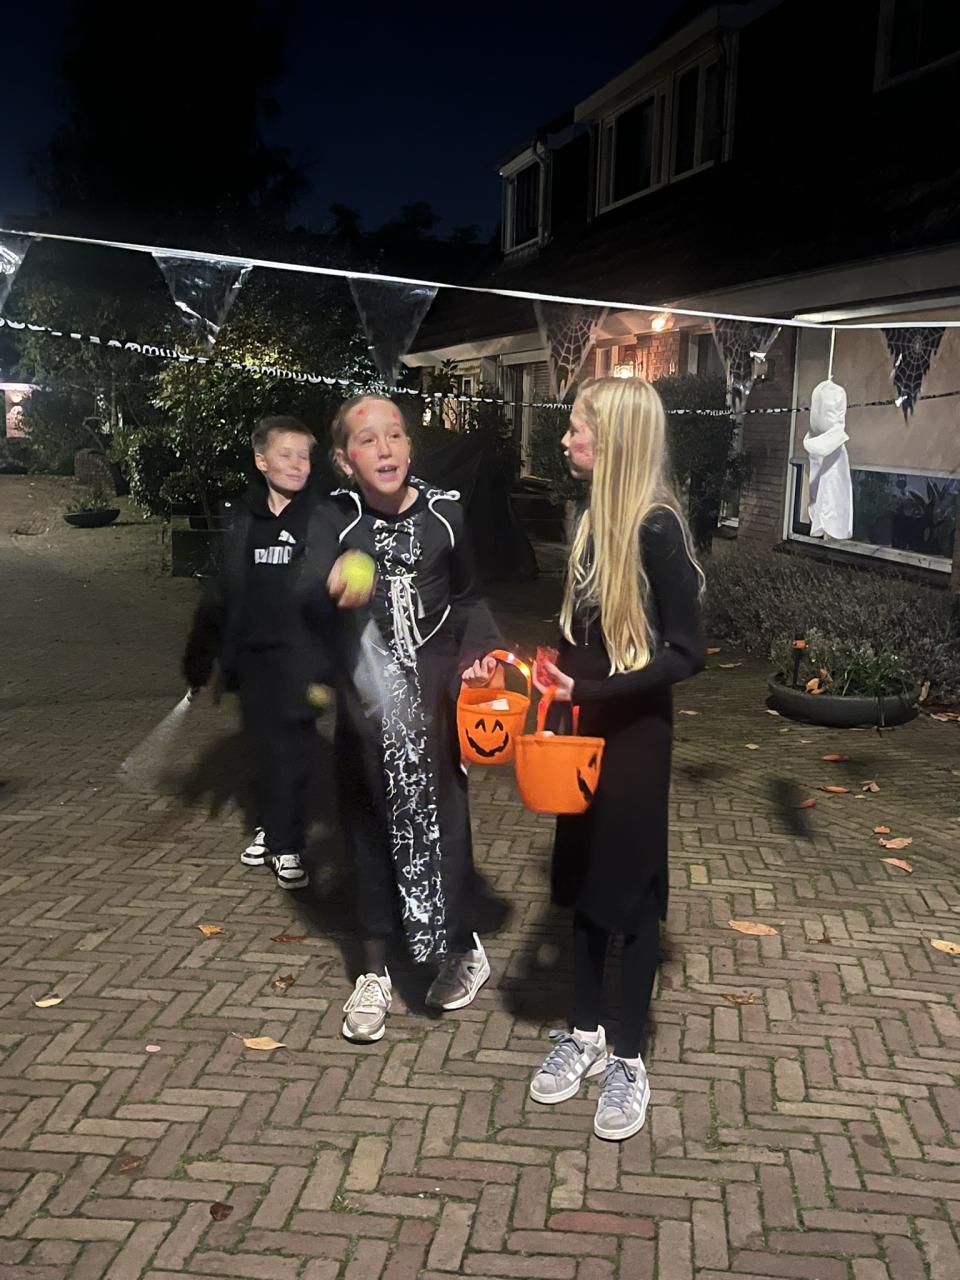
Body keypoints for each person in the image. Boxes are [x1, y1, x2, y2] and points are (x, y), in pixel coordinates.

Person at [528, 377, 706, 1142]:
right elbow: (583, 638)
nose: (566, 439)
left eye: (578, 429)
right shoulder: (590, 521)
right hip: (583, 727)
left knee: (630, 895)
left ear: (617, 442)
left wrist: (596, 688)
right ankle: (585, 1032)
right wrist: (546, 676)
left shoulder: (656, 528)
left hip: (635, 737)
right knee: (579, 879)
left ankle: (628, 1055)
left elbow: (687, 654)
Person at [303, 393, 503, 1044]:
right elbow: (299, 594)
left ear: (410, 448)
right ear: (344, 460)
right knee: (366, 834)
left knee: (446, 827)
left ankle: (464, 946)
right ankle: (372, 972)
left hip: (437, 706)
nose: (385, 448)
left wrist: (481, 655)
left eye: (395, 435)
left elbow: (468, 597)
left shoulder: (446, 513)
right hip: (366, 714)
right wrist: (328, 583)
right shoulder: (333, 520)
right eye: (367, 439)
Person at [181, 415, 370, 891]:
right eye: (286, 455)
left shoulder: (326, 516)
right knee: (262, 749)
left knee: (291, 750)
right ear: (262, 461)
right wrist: (200, 654)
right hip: (253, 661)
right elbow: (219, 595)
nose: (298, 464)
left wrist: (357, 560)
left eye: (304, 455)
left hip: (306, 661)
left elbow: (365, 544)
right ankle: (271, 824)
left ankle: (288, 845)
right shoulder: (242, 522)